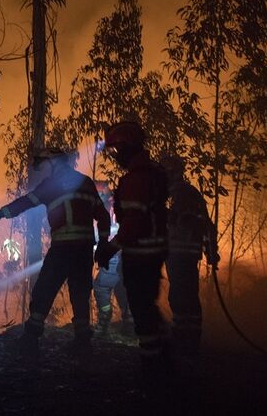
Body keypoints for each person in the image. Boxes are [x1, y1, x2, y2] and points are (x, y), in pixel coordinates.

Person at [0, 147, 110, 357]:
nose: (42, 170)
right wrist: (102, 243)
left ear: (54, 163)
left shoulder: (51, 186)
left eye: (44, 165)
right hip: (83, 250)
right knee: (81, 294)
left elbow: (23, 203)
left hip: (62, 249)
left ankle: (30, 340)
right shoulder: (85, 182)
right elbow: (103, 216)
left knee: (44, 291)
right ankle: (83, 343)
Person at [95, 121, 169, 371]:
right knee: (147, 307)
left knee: (142, 311)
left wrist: (109, 248)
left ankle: (153, 371)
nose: (115, 157)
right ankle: (165, 356)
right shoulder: (153, 174)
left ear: (128, 148)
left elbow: (134, 225)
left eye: (116, 151)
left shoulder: (137, 180)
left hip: (141, 256)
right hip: (151, 253)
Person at [160, 155, 219, 358]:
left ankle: (188, 342)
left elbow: (197, 223)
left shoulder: (184, 194)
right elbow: (207, 225)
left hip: (183, 253)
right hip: (177, 253)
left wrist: (212, 251)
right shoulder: (176, 194)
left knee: (184, 298)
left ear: (174, 172)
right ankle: (185, 339)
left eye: (166, 172)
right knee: (179, 297)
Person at [93, 228, 133, 337]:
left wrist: (106, 251)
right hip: (139, 256)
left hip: (120, 253)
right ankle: (130, 322)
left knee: (102, 286)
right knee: (128, 287)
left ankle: (104, 320)